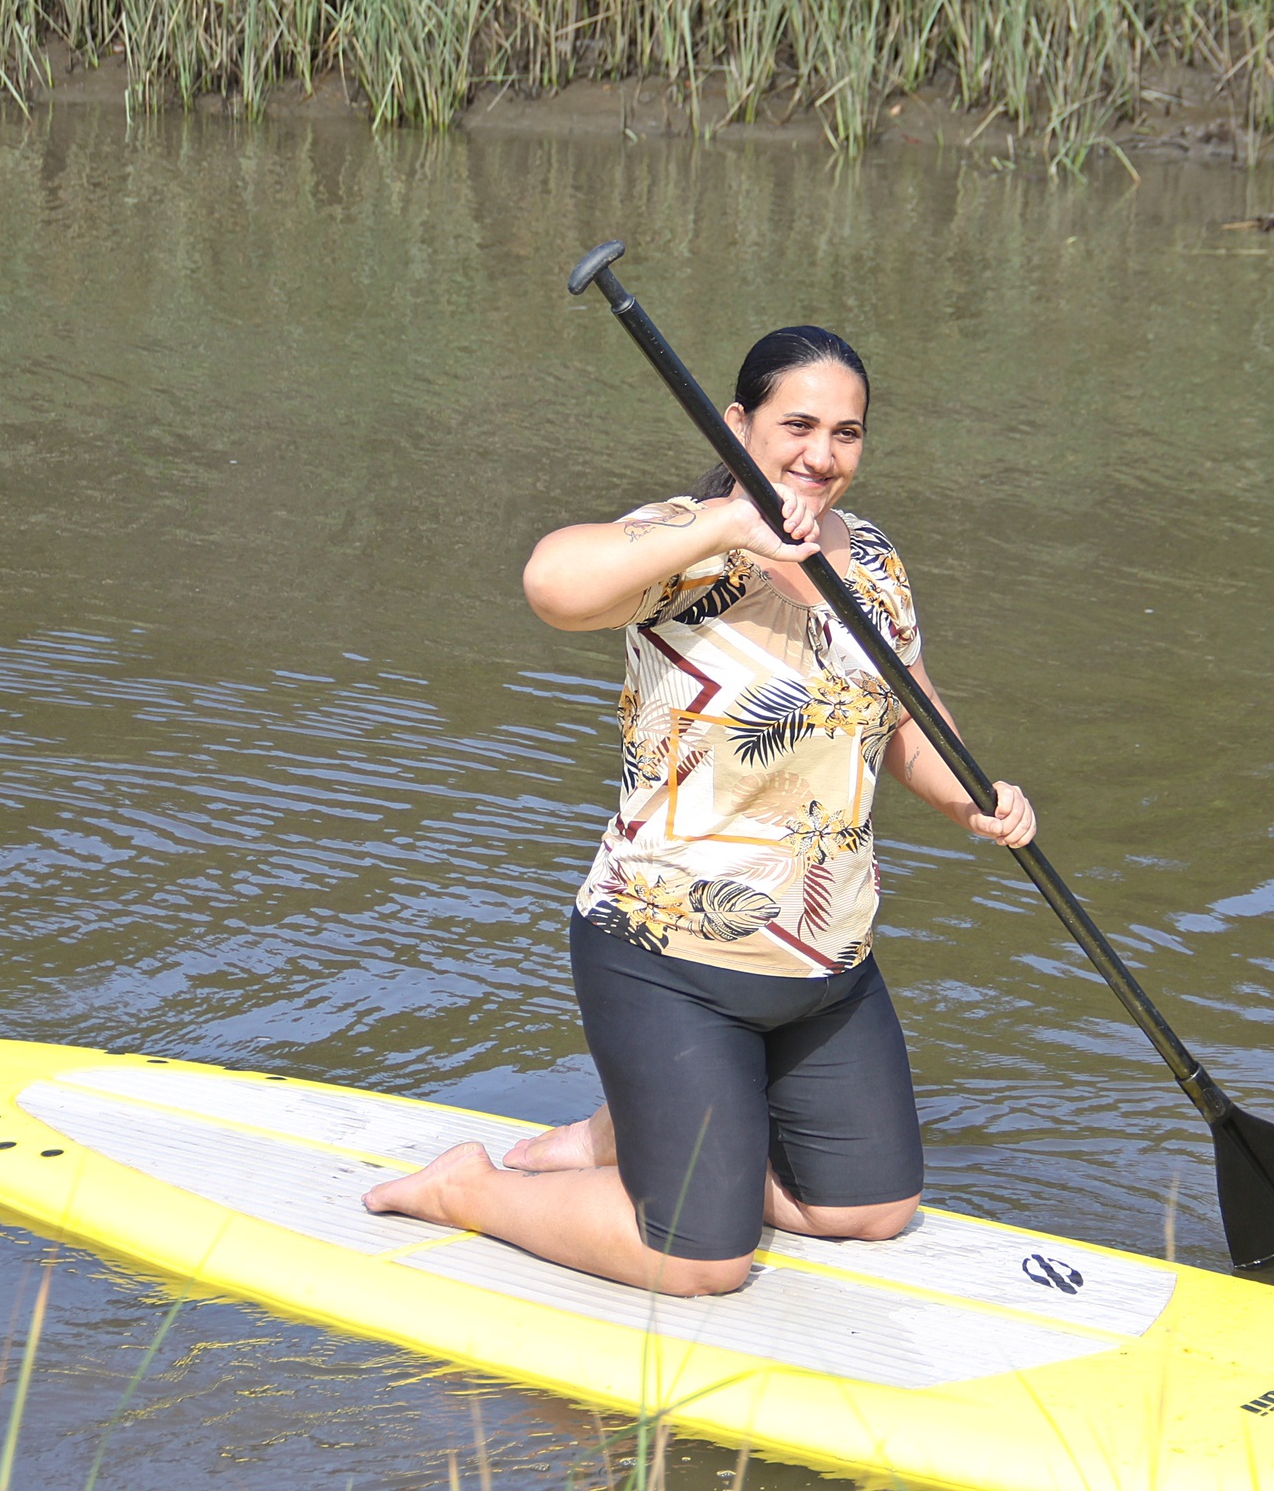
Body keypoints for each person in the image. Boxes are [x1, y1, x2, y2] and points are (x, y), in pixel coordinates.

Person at [362, 325, 1035, 1296]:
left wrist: (977, 798)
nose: (822, 454)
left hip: (825, 962)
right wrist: (725, 525)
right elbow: (551, 582)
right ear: (738, 425)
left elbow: (908, 718)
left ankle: (623, 1133)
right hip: (667, 954)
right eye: (797, 425)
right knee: (701, 1262)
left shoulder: (873, 559)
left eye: (845, 433)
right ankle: (470, 1187)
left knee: (870, 1212)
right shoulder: (688, 545)